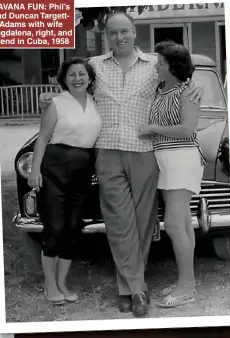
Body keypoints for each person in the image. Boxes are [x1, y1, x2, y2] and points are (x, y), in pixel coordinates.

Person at [38, 12, 203, 316]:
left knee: (142, 222)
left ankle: (127, 287)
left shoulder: (155, 64)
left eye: (124, 32)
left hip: (145, 152)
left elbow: (180, 77)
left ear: (134, 32)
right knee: (117, 221)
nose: (119, 38)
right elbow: (75, 87)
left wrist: (193, 87)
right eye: (113, 33)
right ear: (106, 35)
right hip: (108, 152)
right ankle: (136, 288)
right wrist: (54, 98)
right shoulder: (96, 66)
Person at [28, 58, 102, 305]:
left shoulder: (96, 103)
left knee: (72, 228)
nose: (78, 78)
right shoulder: (56, 103)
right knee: (55, 227)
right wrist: (35, 170)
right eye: (72, 74)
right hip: (54, 169)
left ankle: (62, 283)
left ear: (90, 78)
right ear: (64, 79)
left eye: (82, 74)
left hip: (82, 171)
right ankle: (50, 284)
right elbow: (42, 139)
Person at [139, 40, 206, 308]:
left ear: (173, 66)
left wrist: (152, 127)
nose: (156, 65)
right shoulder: (159, 89)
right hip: (164, 159)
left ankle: (186, 286)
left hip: (182, 157)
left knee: (175, 224)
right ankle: (187, 281)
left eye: (161, 62)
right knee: (183, 223)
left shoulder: (186, 92)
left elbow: (188, 129)